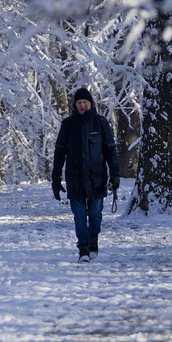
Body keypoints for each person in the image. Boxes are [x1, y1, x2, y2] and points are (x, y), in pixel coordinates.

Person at [52, 87, 120, 262]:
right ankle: (83, 247)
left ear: (91, 104)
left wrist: (115, 175)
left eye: (85, 102)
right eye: (79, 103)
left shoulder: (101, 123)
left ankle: (93, 239)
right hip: (75, 178)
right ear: (75, 105)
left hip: (97, 177)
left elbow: (110, 151)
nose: (82, 106)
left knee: (96, 215)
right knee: (80, 216)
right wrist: (55, 178)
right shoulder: (68, 124)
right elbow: (59, 152)